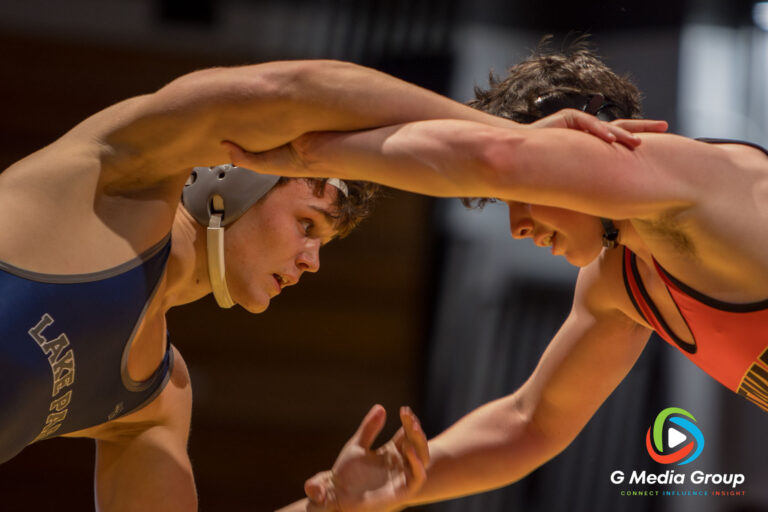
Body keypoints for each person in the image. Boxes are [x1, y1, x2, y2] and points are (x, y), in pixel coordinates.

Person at [0, 57, 652, 511]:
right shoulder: (115, 179)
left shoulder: (153, 402)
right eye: (308, 223)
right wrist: (513, 147)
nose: (312, 261)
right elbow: (297, 89)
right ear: (231, 175)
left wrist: (333, 510)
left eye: (324, 243)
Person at [224, 42, 768, 510]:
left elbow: (497, 158)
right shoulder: (619, 281)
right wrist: (403, 481)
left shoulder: (690, 174)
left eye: (523, 199)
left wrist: (307, 154)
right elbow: (529, 422)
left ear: (590, 144)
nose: (517, 226)